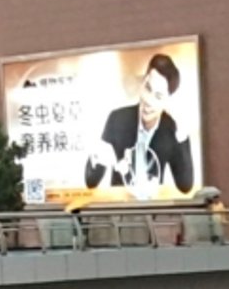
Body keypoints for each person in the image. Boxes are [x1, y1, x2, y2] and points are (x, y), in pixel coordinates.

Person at [83, 53, 196, 199]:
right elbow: (91, 181)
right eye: (148, 88)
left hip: (153, 215)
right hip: (118, 214)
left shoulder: (171, 129)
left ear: (167, 100)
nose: (149, 100)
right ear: (142, 83)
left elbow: (185, 186)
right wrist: (96, 156)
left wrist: (182, 134)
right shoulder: (117, 119)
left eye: (158, 96)